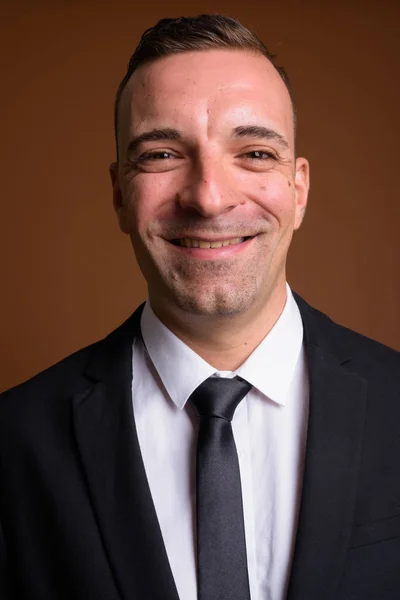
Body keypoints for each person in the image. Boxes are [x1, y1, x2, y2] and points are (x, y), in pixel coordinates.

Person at [0, 14, 399, 600]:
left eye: (256, 153)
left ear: (299, 189)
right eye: (161, 154)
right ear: (119, 193)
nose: (209, 198)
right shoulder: (14, 442)